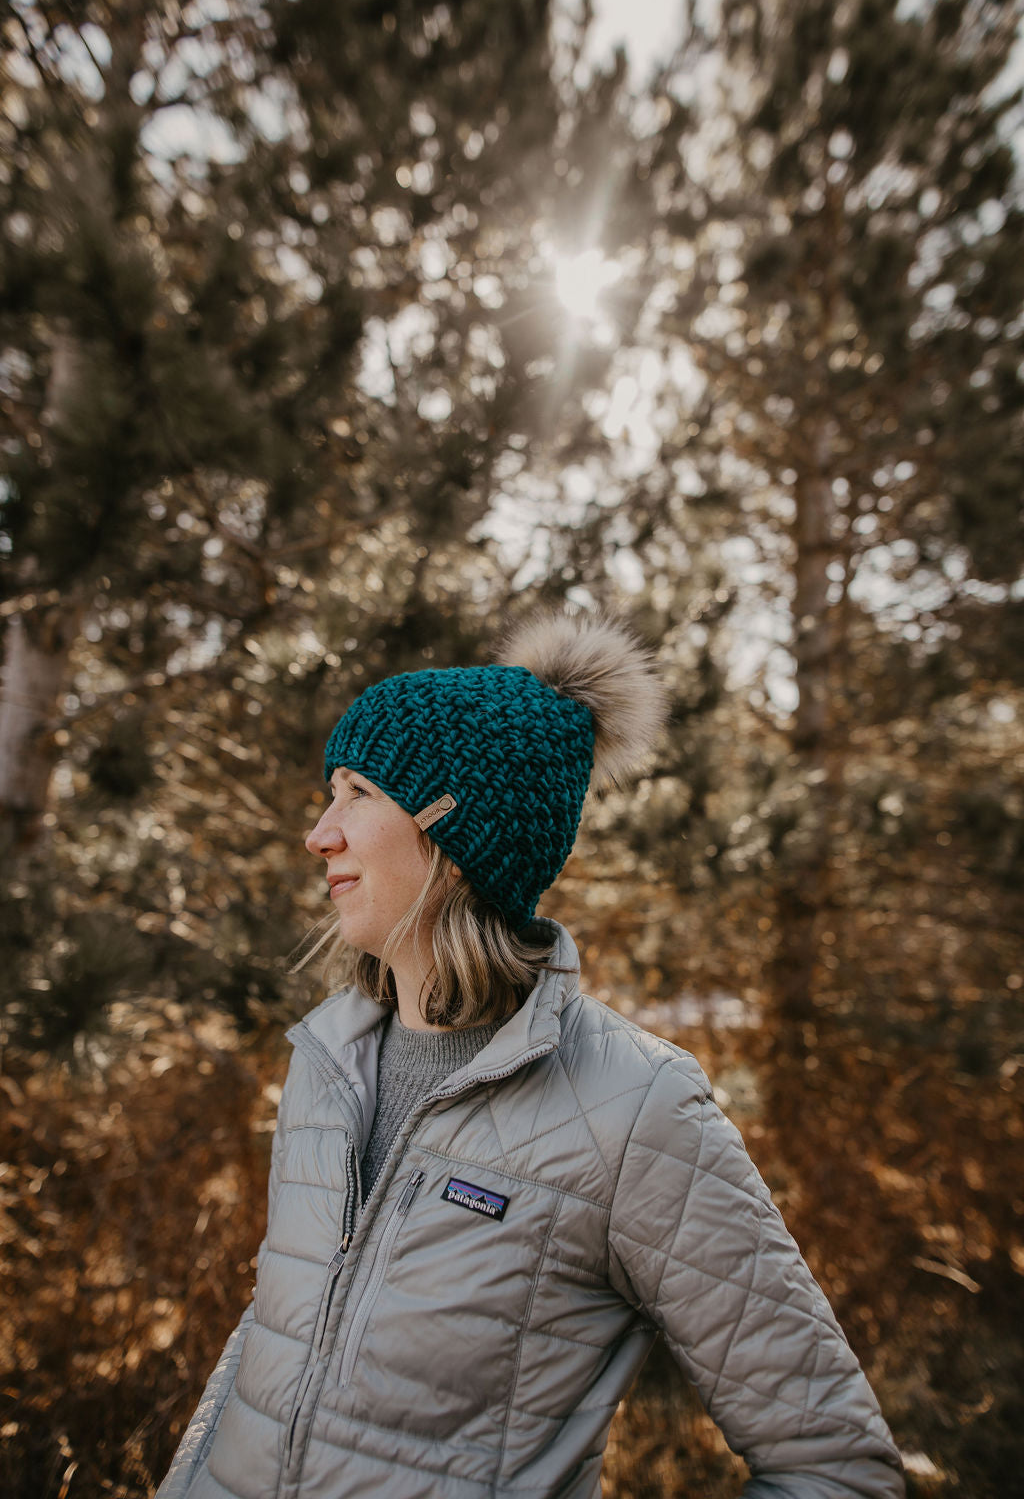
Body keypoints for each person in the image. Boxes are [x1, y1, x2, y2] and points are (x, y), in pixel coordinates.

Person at [157, 611, 905, 1499]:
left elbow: (835, 1466)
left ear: (456, 832)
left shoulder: (634, 1108)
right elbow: (272, 1349)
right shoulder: (329, 1061)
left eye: (359, 793)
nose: (321, 832)